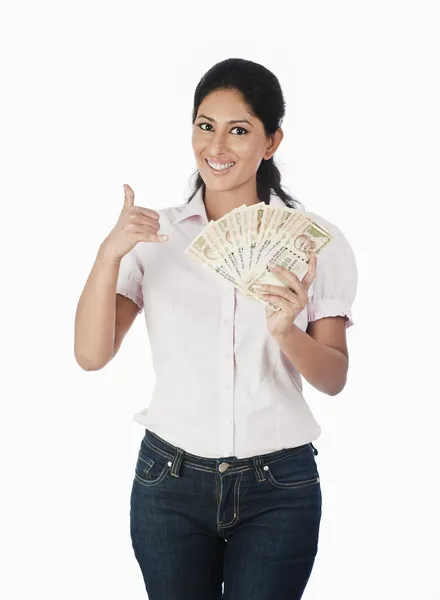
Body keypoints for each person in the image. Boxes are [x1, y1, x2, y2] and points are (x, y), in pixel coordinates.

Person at [74, 57, 357, 600]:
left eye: (239, 130)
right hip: (168, 483)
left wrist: (285, 332)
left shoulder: (316, 243)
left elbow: (334, 377)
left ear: (271, 142)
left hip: (280, 486)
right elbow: (91, 354)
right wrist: (109, 254)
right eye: (205, 126)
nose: (217, 147)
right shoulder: (153, 237)